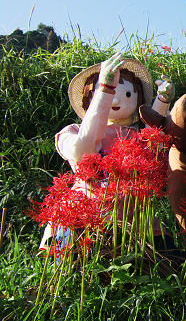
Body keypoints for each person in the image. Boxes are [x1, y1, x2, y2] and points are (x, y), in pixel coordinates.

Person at [39, 52, 177, 254]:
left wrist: (162, 101)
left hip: (137, 223)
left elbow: (153, 140)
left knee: (170, 259)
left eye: (127, 94)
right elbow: (83, 152)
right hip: (82, 218)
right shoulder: (71, 132)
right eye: (107, 93)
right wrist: (104, 90)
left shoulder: (136, 134)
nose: (115, 99)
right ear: (91, 99)